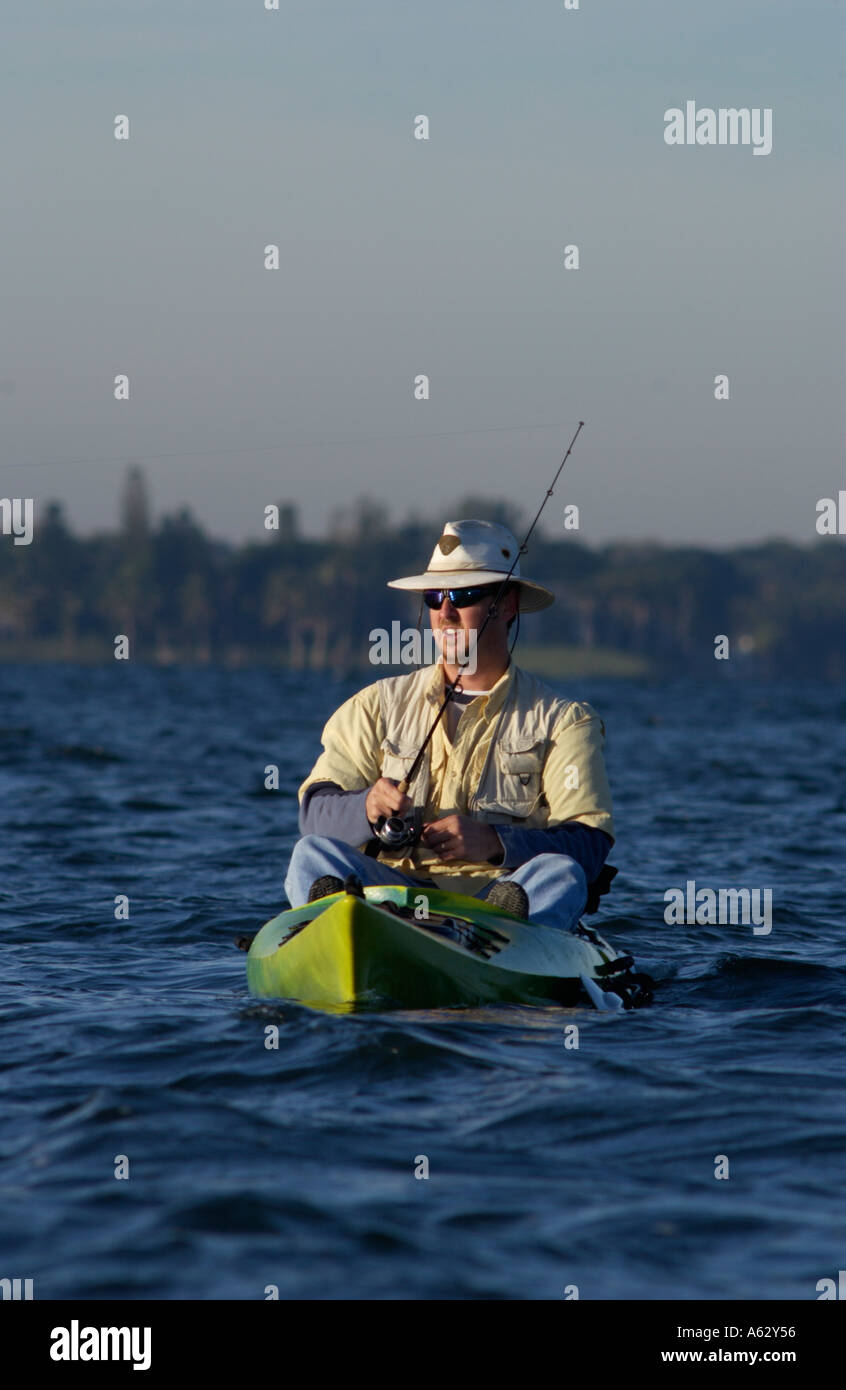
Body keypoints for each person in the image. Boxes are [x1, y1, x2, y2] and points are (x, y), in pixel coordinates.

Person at [284, 519, 615, 929]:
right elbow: (314, 813)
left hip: (497, 905)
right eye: (434, 597)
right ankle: (340, 928)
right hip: (391, 897)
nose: (445, 612)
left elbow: (589, 842)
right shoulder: (374, 705)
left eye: (463, 595)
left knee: (561, 874)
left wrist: (494, 844)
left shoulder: (566, 721)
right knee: (310, 855)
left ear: (508, 605)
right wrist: (365, 807)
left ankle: (498, 935)